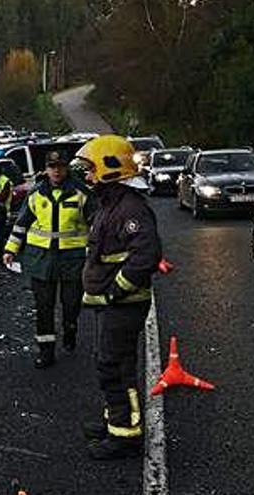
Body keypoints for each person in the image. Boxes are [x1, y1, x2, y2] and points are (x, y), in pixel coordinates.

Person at [71, 135, 162, 460]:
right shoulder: (111, 204)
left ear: (111, 169)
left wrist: (114, 291)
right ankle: (116, 421)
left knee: (114, 368)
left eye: (92, 170)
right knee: (112, 364)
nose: (88, 176)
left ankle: (125, 435)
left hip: (123, 305)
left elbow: (145, 254)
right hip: (113, 306)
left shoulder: (130, 208)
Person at [3, 152, 96, 368]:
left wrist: (96, 252)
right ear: (46, 169)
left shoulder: (81, 193)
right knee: (44, 307)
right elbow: (21, 224)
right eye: (52, 166)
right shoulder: (36, 194)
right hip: (41, 260)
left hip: (72, 261)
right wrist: (10, 249)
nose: (56, 170)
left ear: (67, 168)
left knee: (71, 304)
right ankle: (46, 352)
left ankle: (70, 328)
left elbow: (96, 225)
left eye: (61, 166)